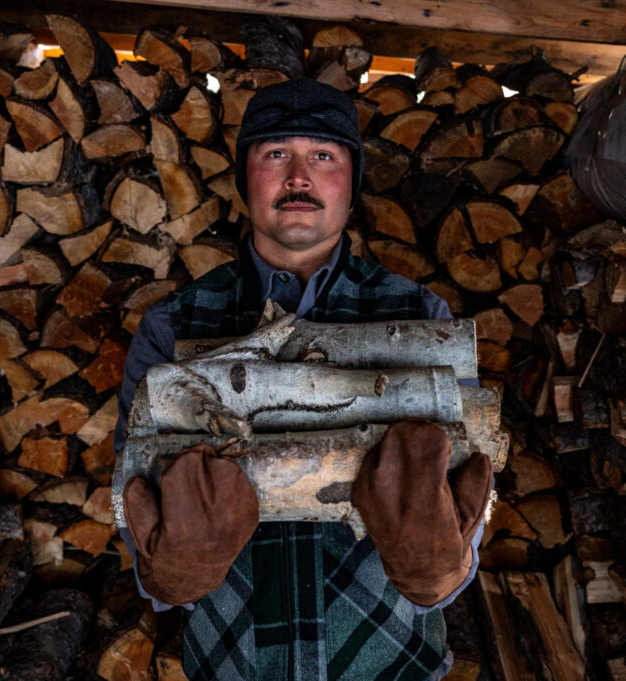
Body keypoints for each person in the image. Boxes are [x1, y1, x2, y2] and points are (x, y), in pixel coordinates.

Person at [115, 77, 493, 681]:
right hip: (235, 659)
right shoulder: (172, 327)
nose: (298, 176)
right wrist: (166, 573)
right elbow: (130, 488)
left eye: (322, 156)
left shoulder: (424, 320)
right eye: (275, 155)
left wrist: (442, 569)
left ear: (351, 181)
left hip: (387, 657)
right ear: (245, 181)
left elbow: (467, 500)